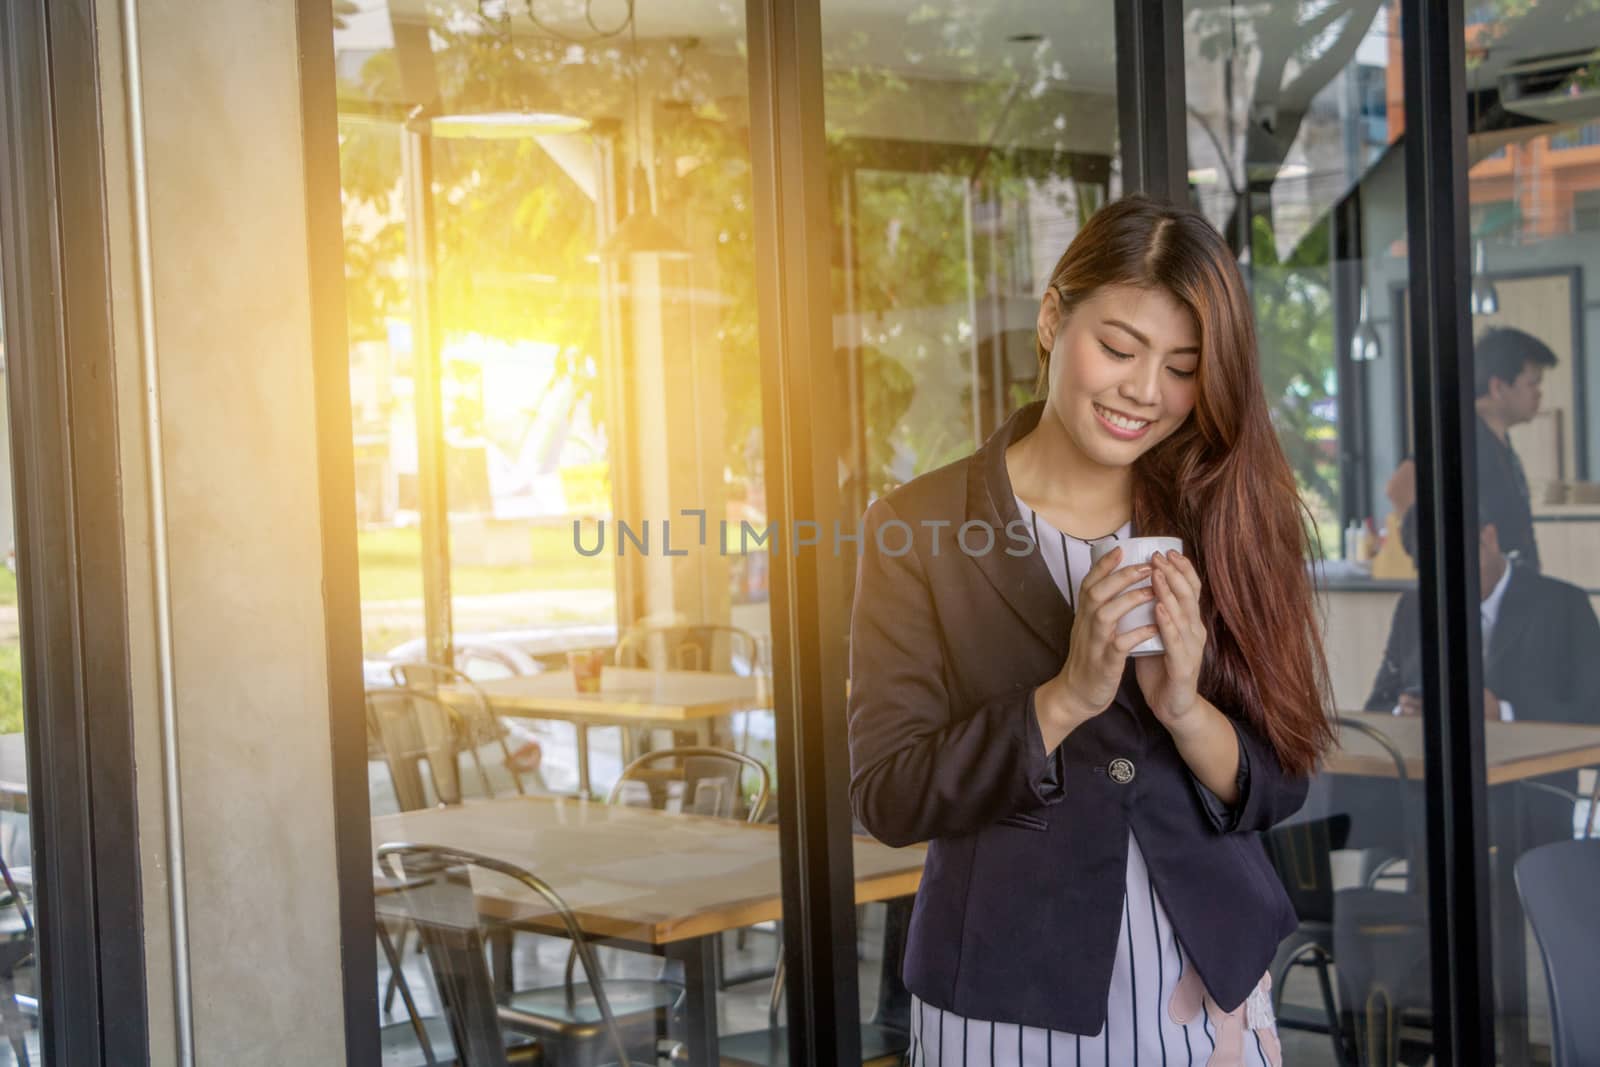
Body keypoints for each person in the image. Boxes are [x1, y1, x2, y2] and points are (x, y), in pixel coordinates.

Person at [847, 197, 1334, 1065]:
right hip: (1004, 995)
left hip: (1208, 987)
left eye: (1183, 367)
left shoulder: (1225, 513)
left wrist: (1184, 708)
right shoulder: (915, 528)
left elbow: (1280, 780)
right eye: (1118, 347)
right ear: (1050, 317)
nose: (1145, 392)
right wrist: (1062, 698)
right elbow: (889, 792)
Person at [1387, 327, 1558, 571]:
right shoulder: (1463, 433)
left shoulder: (1497, 439)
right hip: (1482, 592)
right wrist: (1447, 561)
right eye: (1532, 384)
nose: (1538, 394)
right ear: (1498, 387)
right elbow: (1400, 487)